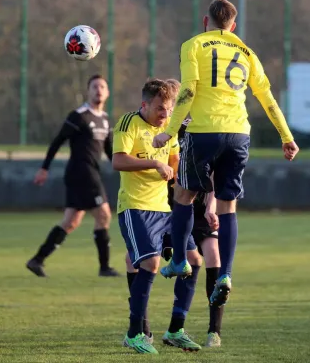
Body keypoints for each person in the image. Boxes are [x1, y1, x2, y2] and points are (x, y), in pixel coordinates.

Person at [152, 0, 299, 308]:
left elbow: (188, 90)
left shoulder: (193, 45)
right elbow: (267, 97)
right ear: (233, 26)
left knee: (183, 194)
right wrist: (286, 136)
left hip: (204, 131)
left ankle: (179, 260)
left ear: (206, 22)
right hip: (239, 133)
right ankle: (225, 275)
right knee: (228, 207)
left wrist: (168, 131)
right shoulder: (247, 52)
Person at [114, 79, 201, 354]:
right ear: (145, 105)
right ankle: (134, 333)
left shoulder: (169, 129)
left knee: (194, 261)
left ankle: (176, 329)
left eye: (169, 109)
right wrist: (154, 162)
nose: (165, 114)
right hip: (135, 207)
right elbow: (118, 160)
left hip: (165, 208)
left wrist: (180, 178)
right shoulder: (129, 122)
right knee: (150, 263)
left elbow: (173, 162)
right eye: (161, 109)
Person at [26, 74, 120, 278]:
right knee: (103, 215)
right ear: (88, 91)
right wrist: (44, 168)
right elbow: (57, 141)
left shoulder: (104, 119)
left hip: (89, 173)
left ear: (108, 92)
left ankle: (37, 260)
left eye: (102, 86)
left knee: (70, 222)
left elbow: (110, 151)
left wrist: (126, 167)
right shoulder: (79, 116)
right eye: (95, 86)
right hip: (82, 173)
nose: (99, 90)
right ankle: (104, 267)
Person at [163, 78, 224, 348]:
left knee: (211, 257)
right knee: (174, 261)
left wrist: (212, 205)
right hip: (172, 206)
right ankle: (144, 327)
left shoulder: (203, 126)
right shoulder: (168, 130)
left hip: (201, 206)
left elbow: (215, 170)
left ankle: (214, 330)